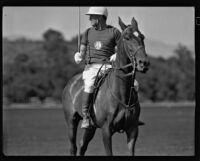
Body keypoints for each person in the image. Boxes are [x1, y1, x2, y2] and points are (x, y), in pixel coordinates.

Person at [74, 7, 139, 129]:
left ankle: (132, 115)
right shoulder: (87, 32)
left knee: (134, 84)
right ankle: (86, 117)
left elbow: (122, 48)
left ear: (99, 18)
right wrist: (79, 56)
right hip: (92, 67)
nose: (89, 19)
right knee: (89, 85)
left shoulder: (114, 32)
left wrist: (116, 55)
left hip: (110, 66)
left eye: (92, 16)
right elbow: (82, 51)